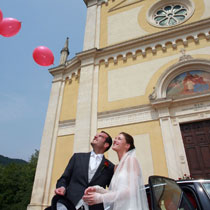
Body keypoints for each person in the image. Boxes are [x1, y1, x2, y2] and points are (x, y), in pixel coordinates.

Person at [48, 131, 115, 210]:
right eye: (96, 135)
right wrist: (62, 187)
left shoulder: (110, 167)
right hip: (69, 204)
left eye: (100, 136)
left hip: (94, 207)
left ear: (106, 144)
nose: (95, 136)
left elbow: (112, 191)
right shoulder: (77, 157)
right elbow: (64, 178)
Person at [83, 132, 149, 210]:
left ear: (127, 146)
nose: (115, 140)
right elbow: (115, 194)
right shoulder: (116, 167)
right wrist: (99, 190)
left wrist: (101, 197)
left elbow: (132, 190)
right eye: (116, 138)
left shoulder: (131, 160)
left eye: (119, 139)